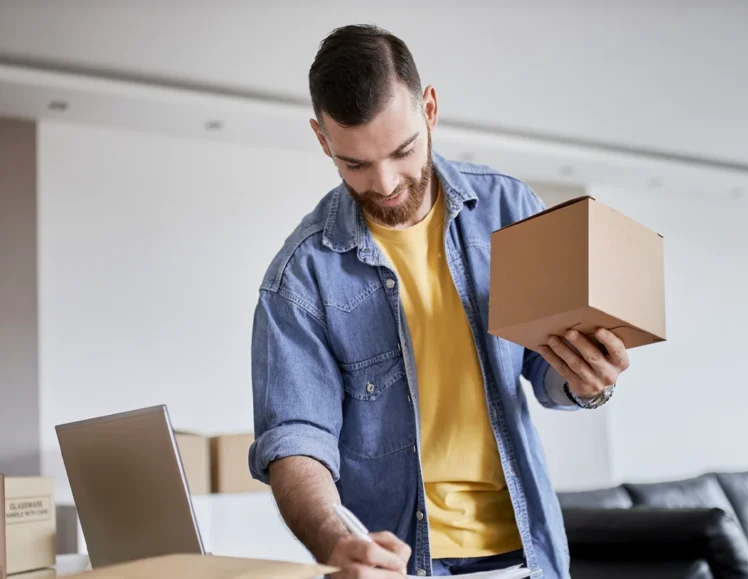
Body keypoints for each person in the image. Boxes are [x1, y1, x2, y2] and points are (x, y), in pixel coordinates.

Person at [248, 24, 630, 579]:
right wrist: (336, 540)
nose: (384, 183)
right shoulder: (299, 278)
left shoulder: (509, 208)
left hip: (529, 554)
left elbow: (543, 367)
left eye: (402, 151)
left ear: (429, 108)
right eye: (354, 164)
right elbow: (295, 441)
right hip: (402, 563)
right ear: (321, 138)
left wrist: (586, 381)